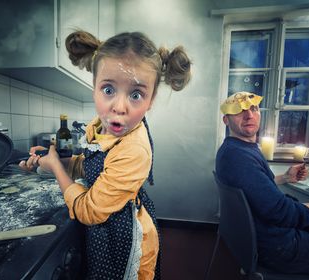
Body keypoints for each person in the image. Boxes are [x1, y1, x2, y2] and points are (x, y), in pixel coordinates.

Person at [19, 30, 191, 279]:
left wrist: (57, 167)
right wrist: (51, 161)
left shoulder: (134, 149)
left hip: (120, 239)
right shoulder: (101, 126)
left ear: (151, 99)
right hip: (104, 229)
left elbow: (89, 211)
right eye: (108, 90)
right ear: (94, 88)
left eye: (135, 95)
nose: (119, 107)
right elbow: (92, 165)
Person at [216, 91, 309, 275]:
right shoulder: (238, 156)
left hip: (270, 235)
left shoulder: (240, 148)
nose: (249, 114)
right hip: (278, 245)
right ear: (226, 120)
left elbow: (253, 189)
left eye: (253, 108)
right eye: (239, 110)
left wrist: (285, 178)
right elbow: (281, 213)